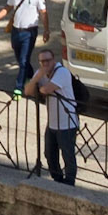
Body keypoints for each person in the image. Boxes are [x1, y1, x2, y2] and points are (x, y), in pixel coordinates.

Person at [25, 45, 79, 185]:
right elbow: (28, 91)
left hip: (67, 122)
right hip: (53, 123)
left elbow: (46, 89)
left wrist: (39, 84)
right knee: (49, 154)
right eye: (42, 62)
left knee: (68, 155)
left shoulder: (62, 72)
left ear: (53, 60)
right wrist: (36, 78)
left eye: (48, 60)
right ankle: (58, 180)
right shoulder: (41, 73)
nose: (45, 64)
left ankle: (70, 182)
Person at [0, 0, 48, 95]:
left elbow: (43, 13)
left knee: (23, 60)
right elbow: (9, 7)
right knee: (20, 59)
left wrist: (46, 30)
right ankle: (30, 76)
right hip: (16, 31)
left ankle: (19, 87)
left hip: (30, 32)